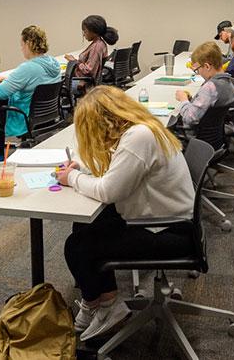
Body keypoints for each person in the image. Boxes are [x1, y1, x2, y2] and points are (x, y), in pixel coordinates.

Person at [54, 86, 196, 341]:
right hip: (167, 219)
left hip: (169, 230)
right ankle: (95, 303)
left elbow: (108, 190)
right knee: (83, 227)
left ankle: (109, 305)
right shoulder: (142, 128)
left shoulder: (138, 138)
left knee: (79, 246)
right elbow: (120, 166)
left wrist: (72, 177)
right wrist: (83, 168)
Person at [0, 25, 61, 163]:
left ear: (28, 43)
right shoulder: (53, 63)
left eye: (22, 45)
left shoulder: (28, 68)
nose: (21, 49)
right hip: (47, 115)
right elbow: (34, 81)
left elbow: (0, 92)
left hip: (25, 117)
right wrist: (10, 80)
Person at [174, 41, 234, 127]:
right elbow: (208, 108)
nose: (199, 73)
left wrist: (183, 100)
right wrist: (191, 100)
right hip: (214, 133)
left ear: (207, 66)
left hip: (195, 134)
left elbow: (189, 118)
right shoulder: (228, 81)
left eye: (198, 70)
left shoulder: (210, 87)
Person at [65, 15, 119, 94]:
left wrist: (74, 61)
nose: (84, 34)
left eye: (85, 31)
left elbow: (88, 71)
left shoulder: (97, 47)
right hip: (88, 83)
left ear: (93, 32)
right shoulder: (99, 43)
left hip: (83, 84)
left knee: (57, 88)